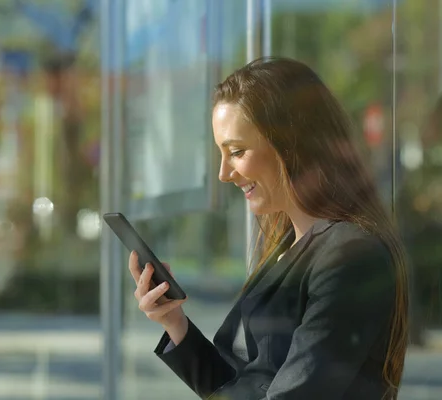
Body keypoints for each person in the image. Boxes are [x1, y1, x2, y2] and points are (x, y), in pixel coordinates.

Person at [128, 57, 409, 399]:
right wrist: (175, 323)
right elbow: (236, 385)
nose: (224, 173)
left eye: (237, 151)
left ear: (292, 143)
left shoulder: (350, 258)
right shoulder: (287, 246)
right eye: (221, 153)